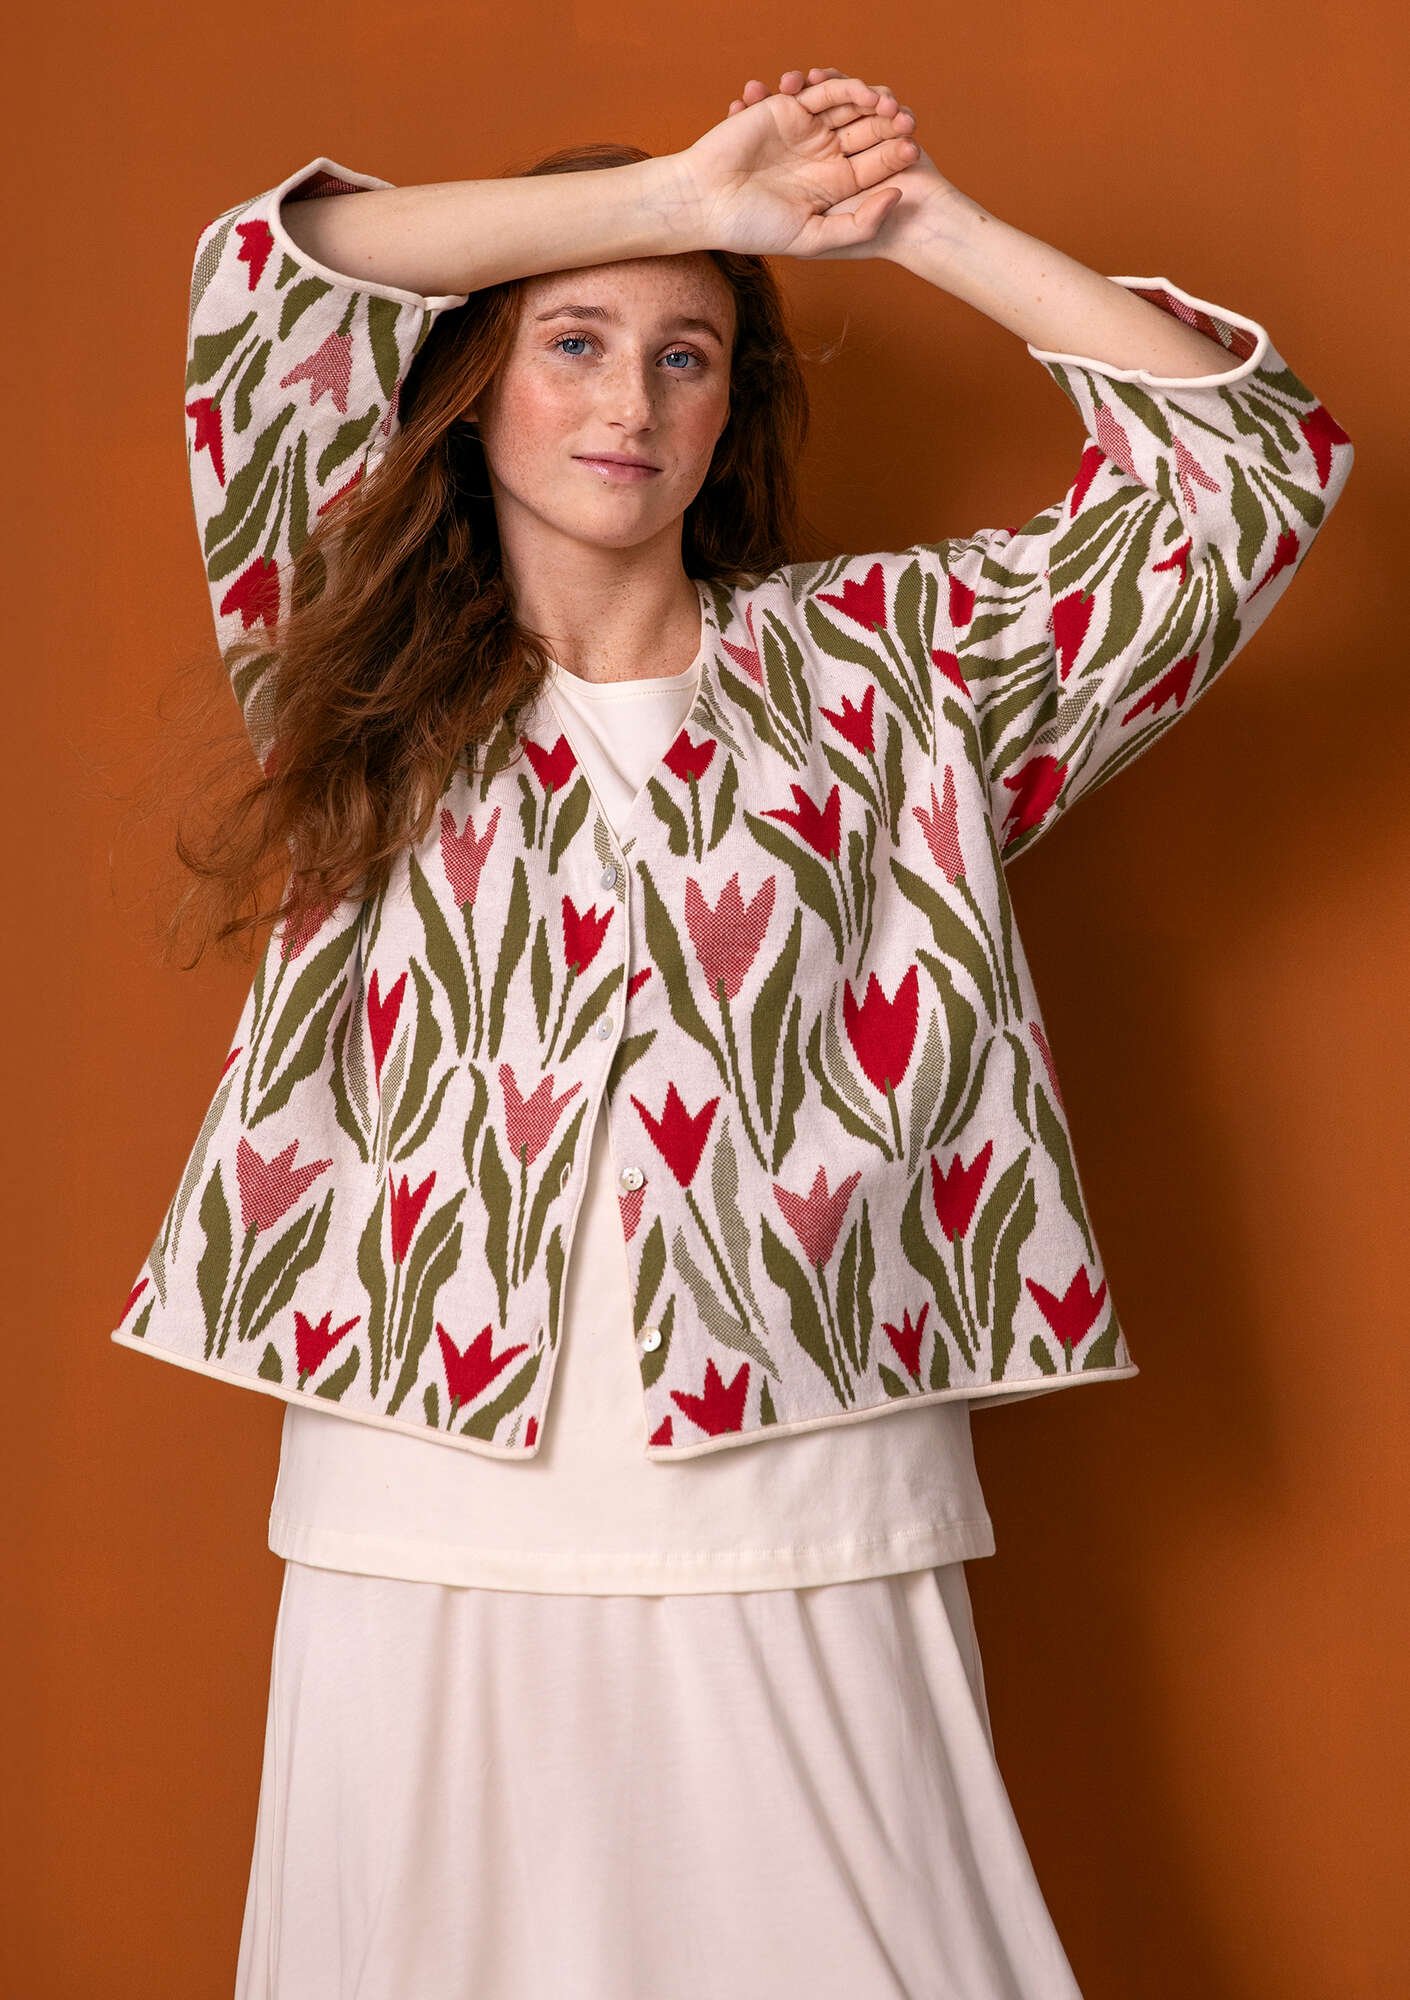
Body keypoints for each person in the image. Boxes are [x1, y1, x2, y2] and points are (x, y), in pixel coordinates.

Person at [111, 63, 1353, 1999]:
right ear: (472, 387)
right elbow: (281, 278)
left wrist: (910, 221)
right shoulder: (347, 672)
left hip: (811, 1464)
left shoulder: (895, 677)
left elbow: (1244, 474)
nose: (629, 401)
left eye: (684, 357)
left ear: (728, 410)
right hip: (417, 1477)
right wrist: (681, 201)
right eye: (574, 343)